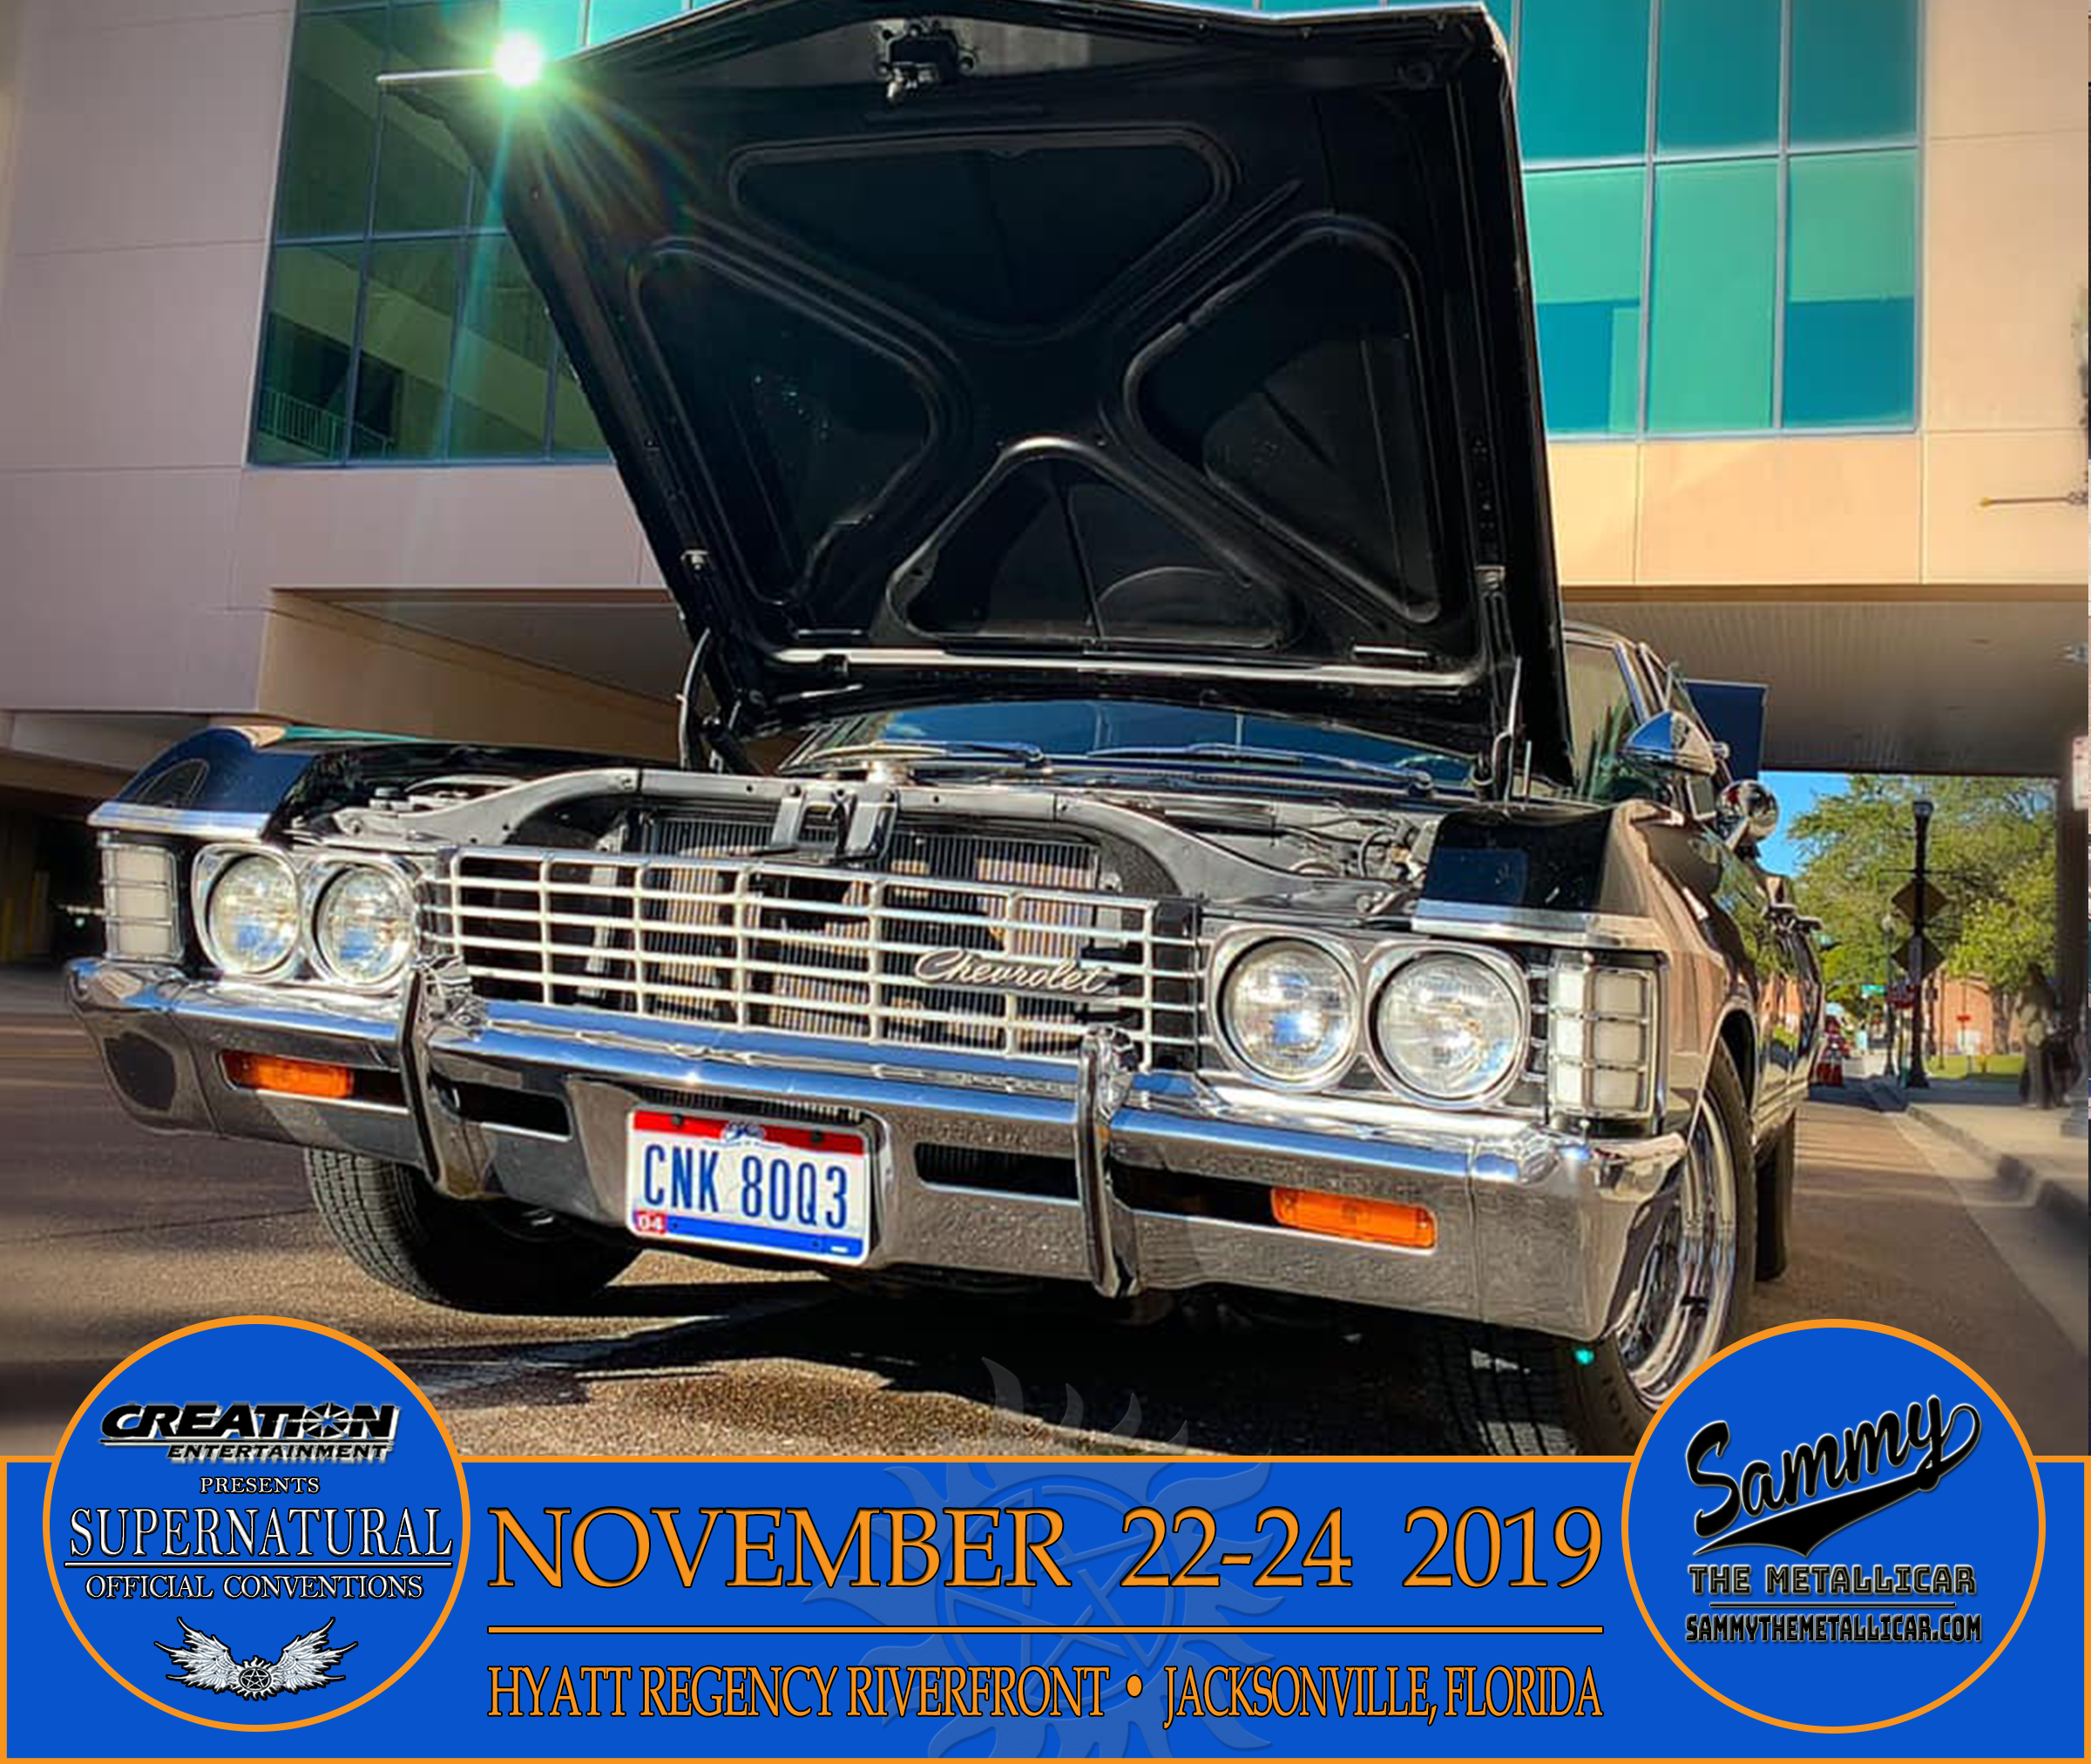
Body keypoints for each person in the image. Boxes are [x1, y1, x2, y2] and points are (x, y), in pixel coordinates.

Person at [2014, 964, 2064, 1109]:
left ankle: (2037, 1099)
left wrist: (2023, 1022)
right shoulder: (2048, 990)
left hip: (2034, 1031)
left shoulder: (2030, 990)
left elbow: (2029, 1010)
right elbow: (2054, 1006)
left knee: (2035, 1067)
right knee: (2045, 1066)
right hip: (2046, 1031)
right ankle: (2050, 1098)